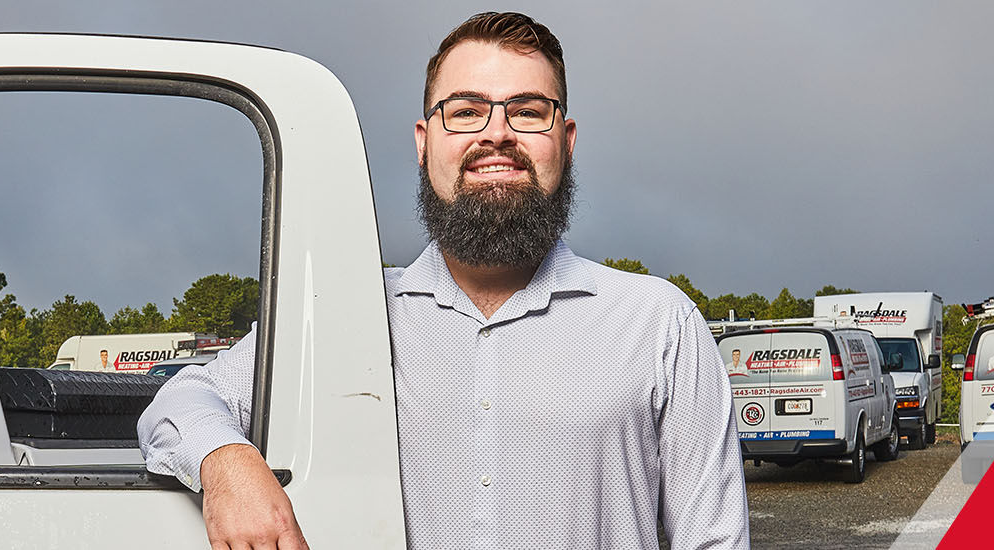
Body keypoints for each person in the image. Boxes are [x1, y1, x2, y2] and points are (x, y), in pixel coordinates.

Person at [138, 12, 748, 549]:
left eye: (529, 111)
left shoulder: (659, 323)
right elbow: (179, 401)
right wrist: (226, 461)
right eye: (466, 111)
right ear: (425, 144)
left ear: (566, 142)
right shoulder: (350, 314)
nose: (496, 134)